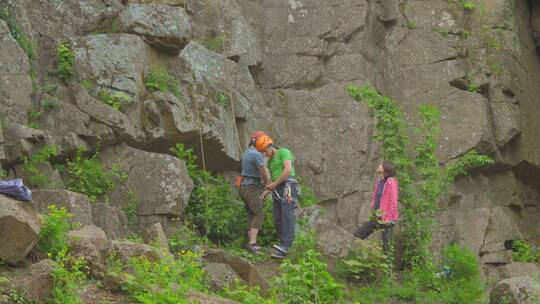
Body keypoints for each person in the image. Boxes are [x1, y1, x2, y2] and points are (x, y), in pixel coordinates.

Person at [255, 135, 298, 259]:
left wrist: (273, 184)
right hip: (278, 189)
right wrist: (263, 194)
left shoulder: (284, 152)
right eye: (262, 152)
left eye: (265, 151)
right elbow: (273, 184)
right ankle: (282, 244)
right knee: (278, 218)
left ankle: (286, 246)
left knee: (286, 214)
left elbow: (288, 169)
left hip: (288, 185)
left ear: (270, 146)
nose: (264, 154)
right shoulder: (270, 162)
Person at [355, 161, 399, 254]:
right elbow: (376, 198)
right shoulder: (378, 182)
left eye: (381, 165)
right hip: (377, 217)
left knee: (387, 247)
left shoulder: (391, 182)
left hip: (387, 219)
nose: (379, 165)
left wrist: (389, 218)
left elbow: (393, 201)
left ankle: (387, 268)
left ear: (386, 169)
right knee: (359, 234)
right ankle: (352, 255)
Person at [239, 131, 271, 254]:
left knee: (252, 213)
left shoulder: (247, 152)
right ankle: (252, 243)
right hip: (251, 187)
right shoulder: (256, 154)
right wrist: (267, 183)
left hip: (244, 187)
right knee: (259, 213)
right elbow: (263, 172)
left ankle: (249, 242)